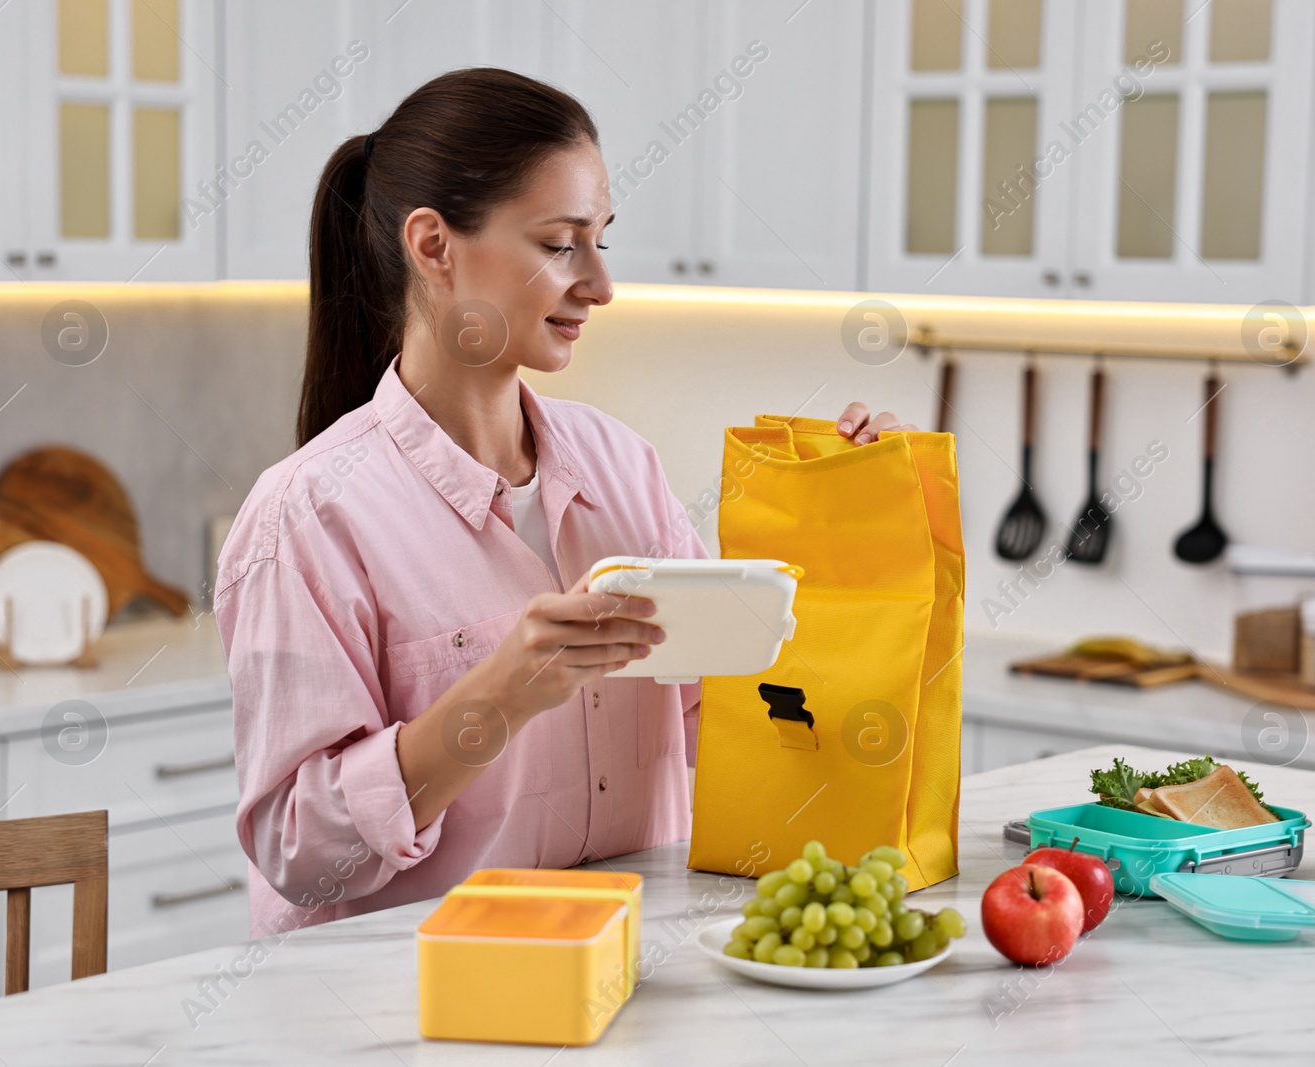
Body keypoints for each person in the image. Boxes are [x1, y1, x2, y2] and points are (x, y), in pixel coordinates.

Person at [215, 68, 918, 937]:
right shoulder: (305, 519)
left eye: (601, 241)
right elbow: (301, 857)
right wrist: (498, 697)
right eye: (559, 243)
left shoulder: (623, 467)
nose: (599, 284)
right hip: (421, 1014)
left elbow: (748, 725)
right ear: (434, 247)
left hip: (627, 983)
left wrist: (846, 522)